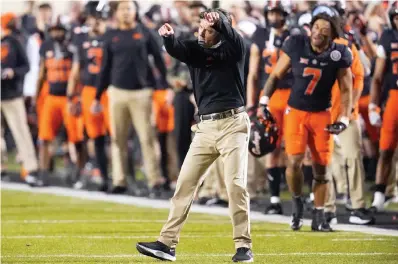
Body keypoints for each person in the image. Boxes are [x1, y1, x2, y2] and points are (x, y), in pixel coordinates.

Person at [136, 9, 253, 262]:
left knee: (235, 185)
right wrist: (168, 38)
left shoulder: (233, 49)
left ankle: (243, 246)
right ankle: (166, 244)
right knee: (184, 185)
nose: (202, 33)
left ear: (221, 30)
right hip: (205, 128)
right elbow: (178, 49)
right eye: (200, 27)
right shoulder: (197, 49)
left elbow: (235, 40)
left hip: (233, 123)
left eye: (208, 29)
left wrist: (220, 22)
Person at [259, 12, 353, 232]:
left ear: (332, 36)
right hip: (296, 112)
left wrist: (345, 118)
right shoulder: (296, 43)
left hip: (322, 113)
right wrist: (264, 101)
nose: (318, 32)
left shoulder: (339, 54)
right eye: (316, 27)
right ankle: (297, 202)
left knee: (322, 168)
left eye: (324, 29)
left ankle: (319, 214)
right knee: (294, 162)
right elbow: (275, 75)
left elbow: (347, 89)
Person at [94, 1, 167, 196]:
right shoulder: (111, 35)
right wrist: (97, 95)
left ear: (135, 12)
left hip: (142, 92)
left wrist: (165, 85)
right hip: (117, 92)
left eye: (129, 9)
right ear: (116, 13)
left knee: (147, 138)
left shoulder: (144, 32)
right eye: (122, 9)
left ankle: (154, 180)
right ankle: (119, 180)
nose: (126, 12)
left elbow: (159, 60)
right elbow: (105, 67)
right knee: (118, 139)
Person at [247, 2, 292, 215]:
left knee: (295, 147)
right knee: (270, 145)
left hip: (292, 94)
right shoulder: (260, 35)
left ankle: (303, 196)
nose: (274, 17)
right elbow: (254, 73)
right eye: (271, 13)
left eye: (278, 13)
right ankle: (274, 199)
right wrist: (251, 103)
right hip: (269, 97)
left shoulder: (295, 35)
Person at [35, 21, 85, 186]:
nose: (56, 34)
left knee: (76, 138)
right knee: (44, 137)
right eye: (54, 31)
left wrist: (75, 96)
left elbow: (77, 74)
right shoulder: (46, 46)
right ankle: (43, 173)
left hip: (69, 97)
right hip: (51, 96)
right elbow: (42, 71)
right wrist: (37, 95)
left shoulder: (73, 48)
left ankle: (78, 173)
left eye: (59, 30)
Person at [67, 1, 109, 191]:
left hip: (110, 90)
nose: (95, 23)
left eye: (98, 19)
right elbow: (76, 70)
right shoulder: (81, 41)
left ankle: (121, 177)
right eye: (92, 19)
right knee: (94, 136)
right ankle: (101, 175)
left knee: (116, 135)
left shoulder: (110, 37)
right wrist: (71, 96)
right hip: (89, 91)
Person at [1, 12, 40, 186]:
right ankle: (1, 169)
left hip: (12, 95)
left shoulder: (16, 41)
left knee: (21, 133)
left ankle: (30, 169)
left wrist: (13, 72)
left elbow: (26, 66)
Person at [369, 7, 398, 212]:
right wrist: (373, 104)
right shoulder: (387, 37)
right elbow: (378, 77)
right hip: (394, 97)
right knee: (386, 148)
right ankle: (379, 196)